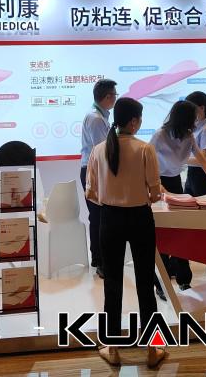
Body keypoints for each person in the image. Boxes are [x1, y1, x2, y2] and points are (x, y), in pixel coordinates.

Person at [86, 97, 167, 369]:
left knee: (112, 283)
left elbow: (91, 193)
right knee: (145, 282)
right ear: (133, 122)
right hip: (140, 218)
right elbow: (155, 193)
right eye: (140, 119)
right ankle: (153, 348)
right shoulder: (145, 149)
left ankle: (111, 346)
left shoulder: (98, 150)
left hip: (109, 218)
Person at [150, 100, 206, 290]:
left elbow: (203, 161)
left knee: (180, 232)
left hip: (174, 183)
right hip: (158, 183)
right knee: (162, 233)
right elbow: (146, 161)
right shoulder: (160, 135)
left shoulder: (188, 135)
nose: (195, 122)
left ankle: (184, 278)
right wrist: (157, 185)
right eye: (193, 118)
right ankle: (162, 283)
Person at [79, 79, 118, 279]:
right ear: (107, 97)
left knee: (100, 217)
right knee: (99, 218)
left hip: (94, 170)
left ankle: (100, 259)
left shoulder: (99, 116)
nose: (115, 98)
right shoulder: (95, 118)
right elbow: (103, 150)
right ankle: (100, 262)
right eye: (114, 95)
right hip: (94, 171)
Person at [184, 91, 206, 197]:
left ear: (202, 108)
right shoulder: (195, 127)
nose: (189, 113)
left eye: (191, 109)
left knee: (203, 206)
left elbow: (202, 159)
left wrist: (180, 159)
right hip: (192, 172)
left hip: (202, 175)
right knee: (187, 204)